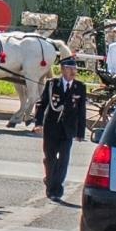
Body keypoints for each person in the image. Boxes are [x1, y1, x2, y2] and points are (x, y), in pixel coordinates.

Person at [33, 56, 87, 200]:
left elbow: (81, 111)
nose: (73, 71)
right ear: (63, 69)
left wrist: (80, 132)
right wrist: (38, 123)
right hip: (52, 128)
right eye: (70, 68)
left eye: (74, 68)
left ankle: (55, 189)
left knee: (63, 160)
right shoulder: (52, 84)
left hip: (68, 130)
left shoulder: (80, 87)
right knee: (50, 159)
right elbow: (42, 104)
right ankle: (50, 180)